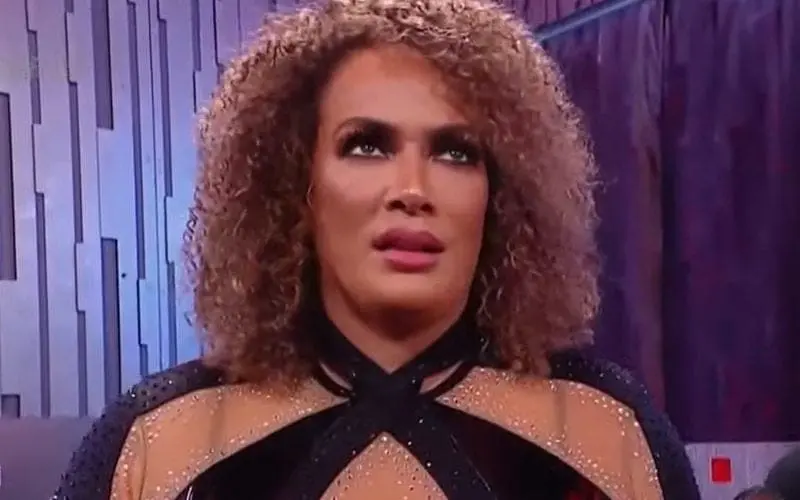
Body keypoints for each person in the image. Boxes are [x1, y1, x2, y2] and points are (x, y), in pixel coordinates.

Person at [54, 0, 700, 498]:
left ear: (499, 195)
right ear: (298, 187)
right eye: (366, 145)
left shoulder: (609, 432)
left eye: (455, 152)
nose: (412, 190)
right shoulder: (156, 444)